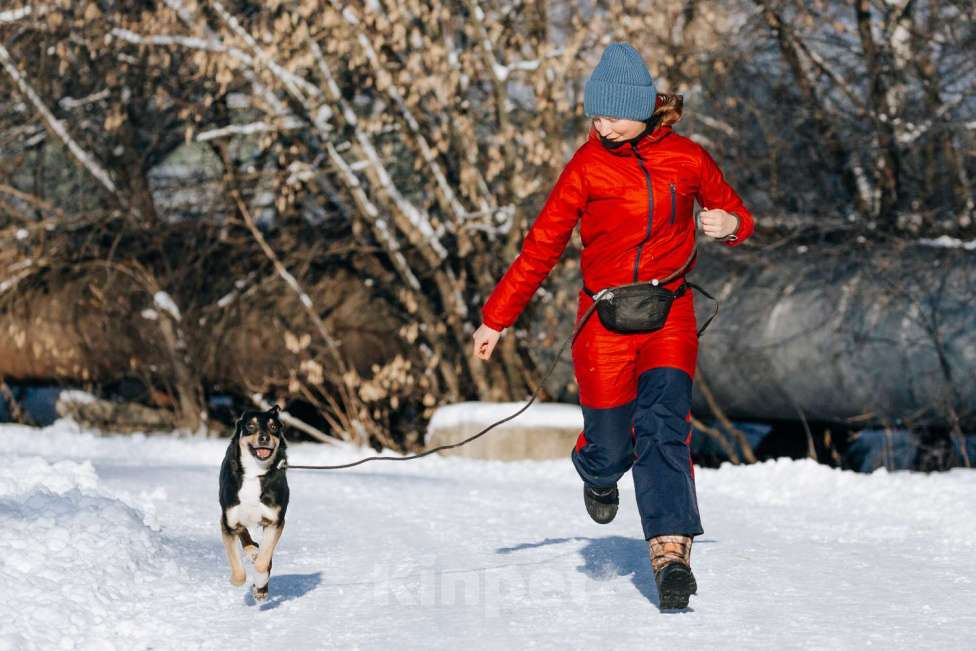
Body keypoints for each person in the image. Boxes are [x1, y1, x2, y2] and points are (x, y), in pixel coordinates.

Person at [470, 43, 755, 609]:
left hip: (669, 313)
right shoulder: (586, 165)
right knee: (609, 444)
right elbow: (542, 246)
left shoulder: (689, 159)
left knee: (663, 426)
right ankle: (597, 469)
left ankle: (671, 555)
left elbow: (736, 216)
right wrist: (495, 319)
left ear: (642, 107)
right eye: (593, 116)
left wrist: (729, 225)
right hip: (603, 320)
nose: (599, 125)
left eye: (608, 114)